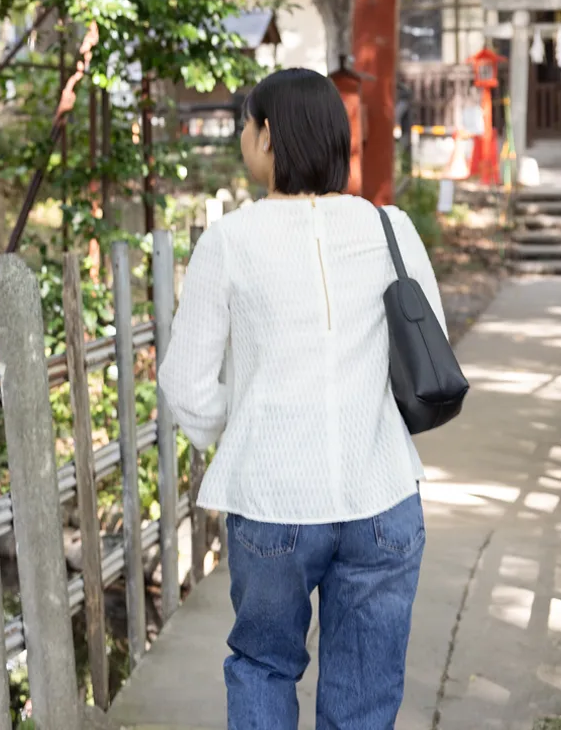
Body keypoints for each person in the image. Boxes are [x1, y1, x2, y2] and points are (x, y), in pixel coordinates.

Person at [158, 67, 446, 730]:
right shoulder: (389, 229)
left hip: (272, 504)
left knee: (263, 665)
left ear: (266, 136)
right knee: (364, 693)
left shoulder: (230, 240)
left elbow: (186, 383)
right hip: (382, 495)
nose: (241, 137)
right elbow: (427, 337)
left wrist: (238, 437)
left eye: (244, 125)